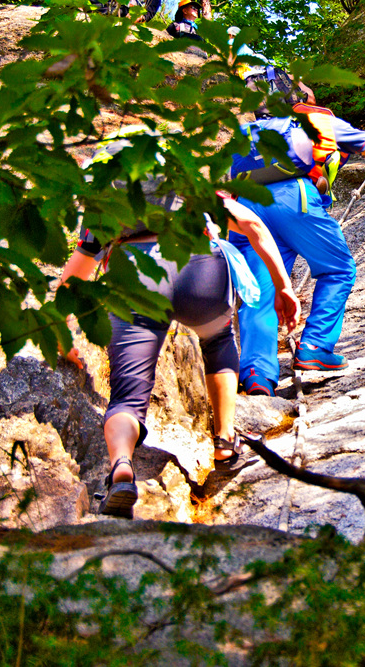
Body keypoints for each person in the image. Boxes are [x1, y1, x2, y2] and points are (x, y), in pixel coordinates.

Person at [59, 170, 300, 518]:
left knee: (126, 398)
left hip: (135, 275)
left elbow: (73, 278)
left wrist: (61, 333)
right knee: (218, 339)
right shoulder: (188, 185)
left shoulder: (106, 205)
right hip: (199, 269)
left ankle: (122, 466)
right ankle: (224, 441)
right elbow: (253, 225)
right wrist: (283, 286)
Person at [228, 69, 365, 395]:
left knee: (259, 291)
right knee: (338, 269)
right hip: (295, 199)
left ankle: (256, 374)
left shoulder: (245, 134)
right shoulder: (315, 121)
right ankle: (315, 347)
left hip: (249, 207)